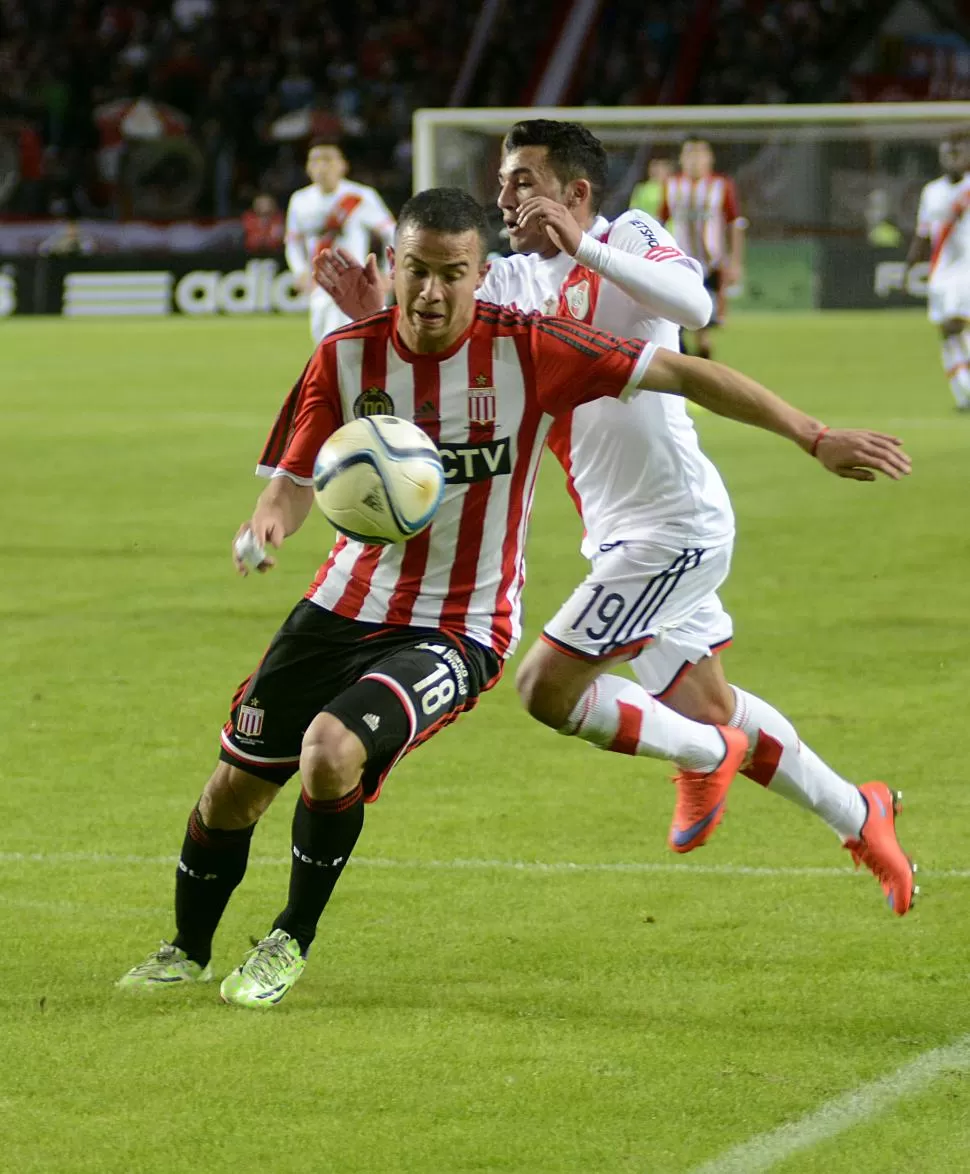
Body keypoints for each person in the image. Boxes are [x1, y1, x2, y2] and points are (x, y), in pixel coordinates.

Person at [117, 188, 909, 1010]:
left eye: (450, 276)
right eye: (416, 272)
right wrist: (268, 527)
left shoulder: (529, 348)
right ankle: (186, 948)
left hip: (459, 626)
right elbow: (289, 481)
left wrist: (815, 437)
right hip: (341, 604)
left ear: (480, 275)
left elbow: (684, 368)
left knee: (330, 752)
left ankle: (289, 940)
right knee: (233, 791)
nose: (430, 293)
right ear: (393, 267)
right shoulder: (345, 356)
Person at [317, 121, 916, 915]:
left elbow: (693, 307)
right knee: (706, 703)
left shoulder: (628, 235)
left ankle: (708, 757)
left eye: (523, 180)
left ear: (576, 194)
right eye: (502, 180)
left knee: (546, 688)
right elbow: (439, 339)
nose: (504, 196)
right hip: (616, 533)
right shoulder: (515, 283)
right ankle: (857, 811)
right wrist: (380, 312)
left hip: (675, 525)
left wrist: (585, 248)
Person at [284, 138, 396, 343]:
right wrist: (298, 270)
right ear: (308, 167)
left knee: (352, 345)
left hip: (356, 284)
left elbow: (392, 233)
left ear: (343, 166)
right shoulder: (300, 200)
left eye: (328, 160)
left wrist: (388, 271)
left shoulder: (359, 196)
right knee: (324, 344)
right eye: (315, 161)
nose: (321, 167)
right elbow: (292, 241)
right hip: (321, 284)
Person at [659, 137, 745, 360]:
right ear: (681, 159)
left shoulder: (721, 185)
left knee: (705, 324)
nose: (694, 161)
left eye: (699, 154)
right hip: (679, 262)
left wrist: (735, 261)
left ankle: (699, 363)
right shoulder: (671, 185)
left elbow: (735, 223)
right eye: (689, 154)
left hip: (711, 264)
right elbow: (661, 221)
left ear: (710, 158)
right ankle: (684, 357)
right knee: (676, 317)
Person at [904, 134, 970, 411]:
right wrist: (909, 265)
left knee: (957, 324)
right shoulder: (931, 191)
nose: (953, 158)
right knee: (946, 332)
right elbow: (923, 232)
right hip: (940, 271)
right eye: (949, 153)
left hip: (967, 268)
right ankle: (962, 394)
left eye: (959, 153)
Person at [629, 156, 673, 220]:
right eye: (654, 166)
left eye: (663, 166)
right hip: (646, 224)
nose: (657, 170)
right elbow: (633, 210)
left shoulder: (674, 186)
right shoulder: (641, 188)